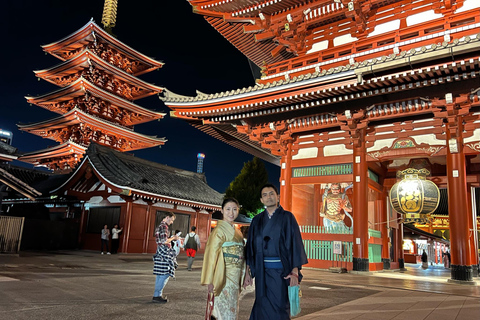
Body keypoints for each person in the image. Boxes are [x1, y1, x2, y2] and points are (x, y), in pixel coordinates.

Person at [244, 183, 308, 320]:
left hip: (281, 273)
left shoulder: (288, 218)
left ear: (278, 197)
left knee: (280, 307)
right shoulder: (256, 220)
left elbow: (295, 244)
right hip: (261, 272)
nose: (269, 197)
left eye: (271, 194)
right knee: (261, 306)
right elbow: (250, 248)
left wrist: (295, 272)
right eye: (265, 195)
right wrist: (247, 272)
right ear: (261, 200)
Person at [201, 198, 245, 320]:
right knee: (221, 309)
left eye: (235, 209)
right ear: (221, 210)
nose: (231, 213)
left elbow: (243, 254)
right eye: (228, 209)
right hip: (222, 274)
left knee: (232, 307)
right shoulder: (219, 230)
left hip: (235, 275)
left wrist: (246, 273)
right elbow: (211, 255)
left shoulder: (238, 232)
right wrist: (209, 280)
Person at [152, 212, 179, 303]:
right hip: (164, 252)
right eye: (171, 220)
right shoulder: (164, 227)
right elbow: (164, 241)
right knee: (166, 273)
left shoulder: (159, 226)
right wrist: (173, 238)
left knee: (160, 274)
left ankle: (157, 294)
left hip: (159, 251)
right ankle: (157, 295)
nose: (171, 222)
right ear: (167, 217)